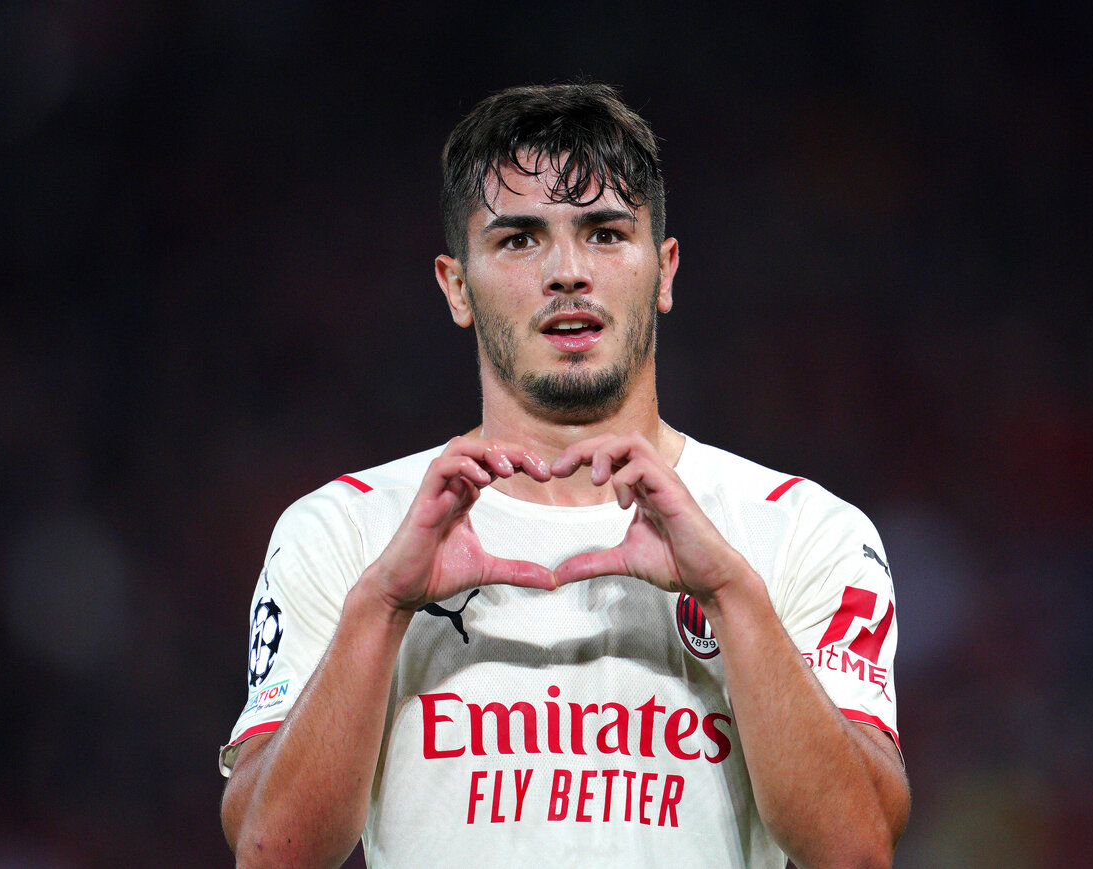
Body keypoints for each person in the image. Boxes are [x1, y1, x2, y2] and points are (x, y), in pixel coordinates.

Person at [219, 82, 910, 869]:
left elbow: (855, 851)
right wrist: (380, 607)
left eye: (606, 233)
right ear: (455, 286)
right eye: (519, 240)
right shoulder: (347, 529)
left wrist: (732, 593)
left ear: (665, 271)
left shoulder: (801, 529)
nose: (568, 272)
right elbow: (271, 854)